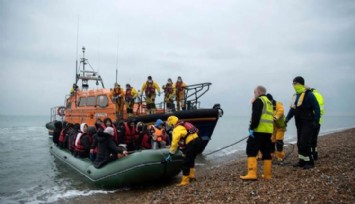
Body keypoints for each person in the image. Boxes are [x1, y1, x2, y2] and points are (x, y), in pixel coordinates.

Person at [285, 76, 320, 169]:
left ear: (301, 84)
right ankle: (302, 161)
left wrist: (316, 121)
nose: (293, 85)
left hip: (308, 122)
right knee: (299, 143)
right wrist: (286, 120)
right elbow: (292, 110)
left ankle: (310, 162)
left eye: (295, 83)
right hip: (299, 123)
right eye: (293, 83)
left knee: (305, 142)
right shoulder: (295, 96)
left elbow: (317, 108)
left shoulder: (309, 95)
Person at [240, 85, 274, 180]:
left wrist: (252, 128)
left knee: (251, 150)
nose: (254, 94)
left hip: (258, 130)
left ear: (258, 92)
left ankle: (252, 174)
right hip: (268, 131)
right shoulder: (269, 102)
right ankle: (267, 175)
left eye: (254, 93)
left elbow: (256, 116)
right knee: (266, 151)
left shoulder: (259, 101)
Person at [165, 116, 202, 186]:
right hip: (198, 141)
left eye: (169, 124)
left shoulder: (176, 129)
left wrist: (171, 153)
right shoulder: (184, 123)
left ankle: (185, 181)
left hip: (192, 143)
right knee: (191, 159)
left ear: (172, 123)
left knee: (186, 162)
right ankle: (192, 176)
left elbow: (174, 142)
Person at [266, 93, 287, 162]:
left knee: (279, 140)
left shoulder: (278, 104)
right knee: (271, 140)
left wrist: (275, 117)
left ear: (271, 100)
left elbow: (281, 111)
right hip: (272, 128)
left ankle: (280, 156)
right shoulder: (267, 106)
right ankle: (271, 155)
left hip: (280, 127)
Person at [308, 87, 324, 160]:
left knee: (310, 139)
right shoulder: (320, 95)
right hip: (319, 121)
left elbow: (313, 109)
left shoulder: (311, 95)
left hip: (312, 120)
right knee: (314, 139)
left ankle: (312, 155)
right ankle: (315, 155)